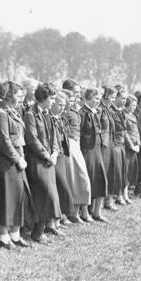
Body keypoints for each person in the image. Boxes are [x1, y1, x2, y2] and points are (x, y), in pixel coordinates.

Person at [0, 81, 36, 248]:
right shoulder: (1, 113)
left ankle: (15, 236)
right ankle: (4, 237)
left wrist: (21, 157)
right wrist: (18, 159)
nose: (21, 97)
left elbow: (18, 138)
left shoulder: (13, 112)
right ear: (8, 95)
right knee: (5, 199)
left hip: (16, 161)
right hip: (5, 163)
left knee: (18, 198)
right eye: (18, 94)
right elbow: (3, 141)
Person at [23, 83, 62, 242]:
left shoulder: (47, 114)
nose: (53, 101)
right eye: (51, 98)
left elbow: (54, 137)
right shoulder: (30, 115)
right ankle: (37, 233)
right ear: (43, 99)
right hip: (37, 161)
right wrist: (47, 155)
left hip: (49, 161)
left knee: (49, 197)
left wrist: (54, 152)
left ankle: (40, 232)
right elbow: (32, 139)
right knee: (44, 196)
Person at [62, 83, 91, 221]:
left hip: (76, 145)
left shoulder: (75, 110)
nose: (77, 96)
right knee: (74, 179)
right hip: (69, 145)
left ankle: (78, 212)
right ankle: (72, 213)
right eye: (74, 94)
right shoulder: (64, 113)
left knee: (80, 179)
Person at [80, 87, 108, 219]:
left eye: (99, 98)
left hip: (97, 150)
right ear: (89, 98)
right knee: (87, 180)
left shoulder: (97, 112)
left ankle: (97, 212)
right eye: (96, 98)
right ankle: (85, 213)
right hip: (87, 151)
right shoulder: (82, 113)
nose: (98, 101)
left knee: (101, 179)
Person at [50, 92, 76, 225]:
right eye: (59, 105)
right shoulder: (50, 117)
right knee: (59, 185)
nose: (61, 108)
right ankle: (57, 218)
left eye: (63, 105)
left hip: (61, 154)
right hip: (52, 155)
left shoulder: (60, 117)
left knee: (62, 185)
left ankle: (61, 217)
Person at [122, 95, 140, 204]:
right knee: (125, 171)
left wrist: (138, 144)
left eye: (135, 105)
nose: (134, 107)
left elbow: (136, 131)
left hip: (134, 147)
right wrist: (131, 145)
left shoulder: (133, 116)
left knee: (130, 172)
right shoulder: (123, 115)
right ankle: (122, 195)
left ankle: (126, 194)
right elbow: (125, 132)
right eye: (132, 105)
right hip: (127, 148)